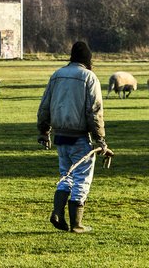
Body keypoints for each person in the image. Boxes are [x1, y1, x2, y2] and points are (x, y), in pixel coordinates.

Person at [37, 41, 113, 233]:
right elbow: (94, 111)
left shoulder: (57, 75)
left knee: (66, 174)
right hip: (79, 137)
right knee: (82, 178)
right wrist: (100, 140)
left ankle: (57, 212)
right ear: (88, 59)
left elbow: (45, 105)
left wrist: (44, 131)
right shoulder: (89, 77)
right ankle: (76, 224)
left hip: (60, 136)